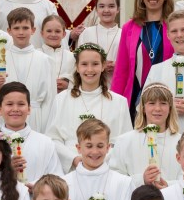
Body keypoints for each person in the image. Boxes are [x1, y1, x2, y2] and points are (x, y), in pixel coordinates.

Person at [47, 42, 132, 173]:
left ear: (103, 66)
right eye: (84, 64)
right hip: (71, 169)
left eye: (95, 64)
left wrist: (100, 159)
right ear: (77, 66)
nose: (90, 70)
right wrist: (74, 159)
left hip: (106, 167)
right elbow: (53, 138)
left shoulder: (119, 102)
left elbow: (125, 141)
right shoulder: (61, 99)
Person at [111, 0, 175, 121]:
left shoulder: (174, 26)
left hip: (166, 102)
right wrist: (114, 104)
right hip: (135, 101)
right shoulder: (129, 28)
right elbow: (121, 70)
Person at [0, 8, 56, 133]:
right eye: (16, 28)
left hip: (37, 119)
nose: (21, 32)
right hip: (7, 119)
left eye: (25, 28)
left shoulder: (45, 60)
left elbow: (50, 100)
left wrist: (46, 131)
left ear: (33, 30)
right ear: (9, 31)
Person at [110, 83, 183, 188]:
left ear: (170, 108)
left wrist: (169, 185)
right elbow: (115, 178)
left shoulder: (181, 142)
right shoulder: (125, 141)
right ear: (143, 108)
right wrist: (141, 180)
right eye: (152, 103)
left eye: (163, 103)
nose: (157, 108)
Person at [0, 82, 63, 186]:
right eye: (9, 104)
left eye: (21, 104)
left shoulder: (45, 142)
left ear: (29, 109)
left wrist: (37, 186)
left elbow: (57, 178)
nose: (15, 109)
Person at [78, 0, 121, 85]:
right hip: (91, 84)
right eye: (101, 6)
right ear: (96, 9)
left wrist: (118, 66)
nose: (106, 10)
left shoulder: (124, 34)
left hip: (116, 84)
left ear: (118, 9)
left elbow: (131, 61)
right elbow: (79, 59)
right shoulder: (87, 33)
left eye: (111, 6)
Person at [40, 14, 75, 93]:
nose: (53, 34)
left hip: (65, 100)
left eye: (57, 31)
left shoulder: (72, 57)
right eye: (49, 31)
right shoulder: (35, 54)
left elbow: (79, 80)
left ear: (64, 34)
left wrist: (68, 85)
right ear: (42, 33)